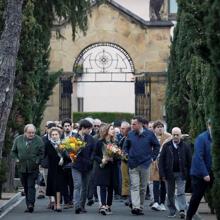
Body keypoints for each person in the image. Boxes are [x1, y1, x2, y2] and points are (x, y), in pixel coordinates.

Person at [125, 116, 160, 215]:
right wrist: (127, 154)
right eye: (131, 124)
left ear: (140, 124)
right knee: (134, 186)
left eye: (134, 124)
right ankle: (135, 207)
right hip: (133, 164)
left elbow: (157, 146)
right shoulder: (130, 134)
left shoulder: (149, 134)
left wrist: (153, 157)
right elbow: (126, 146)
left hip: (145, 164)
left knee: (143, 187)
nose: (131, 126)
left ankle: (140, 206)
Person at [159, 127, 192, 218]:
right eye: (174, 135)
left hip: (181, 173)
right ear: (171, 135)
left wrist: (189, 173)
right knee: (170, 192)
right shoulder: (166, 146)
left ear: (181, 135)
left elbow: (190, 161)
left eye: (178, 135)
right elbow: (161, 161)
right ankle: (172, 210)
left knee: (181, 192)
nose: (176, 136)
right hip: (169, 173)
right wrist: (162, 174)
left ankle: (182, 209)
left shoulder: (185, 146)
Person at [11, 124, 44, 213]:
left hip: (33, 167)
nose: (31, 134)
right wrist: (17, 159)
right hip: (22, 167)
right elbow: (13, 152)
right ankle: (28, 204)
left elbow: (42, 153)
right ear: (25, 132)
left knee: (31, 186)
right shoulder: (18, 139)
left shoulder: (38, 140)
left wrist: (37, 161)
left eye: (33, 132)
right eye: (29, 133)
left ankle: (31, 204)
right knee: (25, 186)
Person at [186, 120, 213, 220]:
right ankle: (189, 216)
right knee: (196, 197)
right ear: (208, 126)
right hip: (199, 173)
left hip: (212, 171)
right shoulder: (201, 138)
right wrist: (205, 173)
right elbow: (198, 157)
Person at [94, 124, 120, 215]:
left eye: (113, 129)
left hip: (112, 168)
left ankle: (109, 205)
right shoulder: (99, 142)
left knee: (110, 187)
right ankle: (103, 205)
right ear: (106, 131)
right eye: (112, 129)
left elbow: (119, 156)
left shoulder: (115, 142)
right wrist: (102, 160)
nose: (113, 131)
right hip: (103, 167)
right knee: (102, 186)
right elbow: (94, 155)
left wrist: (114, 157)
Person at [71, 119, 95, 214]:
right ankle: (77, 206)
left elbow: (93, 150)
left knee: (85, 186)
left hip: (87, 166)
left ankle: (82, 206)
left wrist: (91, 160)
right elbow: (69, 151)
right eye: (89, 129)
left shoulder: (90, 138)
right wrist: (72, 156)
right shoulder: (73, 138)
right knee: (77, 185)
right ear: (83, 128)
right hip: (76, 165)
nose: (90, 131)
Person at [45, 127, 68, 212]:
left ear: (59, 135)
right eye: (53, 135)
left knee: (58, 186)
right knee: (53, 186)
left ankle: (58, 204)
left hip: (61, 168)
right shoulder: (48, 144)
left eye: (56, 134)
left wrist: (63, 158)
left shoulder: (63, 143)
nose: (54, 136)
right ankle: (54, 203)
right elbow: (45, 155)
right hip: (51, 167)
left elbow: (68, 155)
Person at [150, 120, 171, 211]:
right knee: (155, 182)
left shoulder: (168, 136)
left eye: (161, 127)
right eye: (158, 127)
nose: (160, 128)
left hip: (164, 163)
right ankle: (155, 202)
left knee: (163, 182)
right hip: (154, 162)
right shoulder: (150, 137)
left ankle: (162, 202)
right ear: (154, 129)